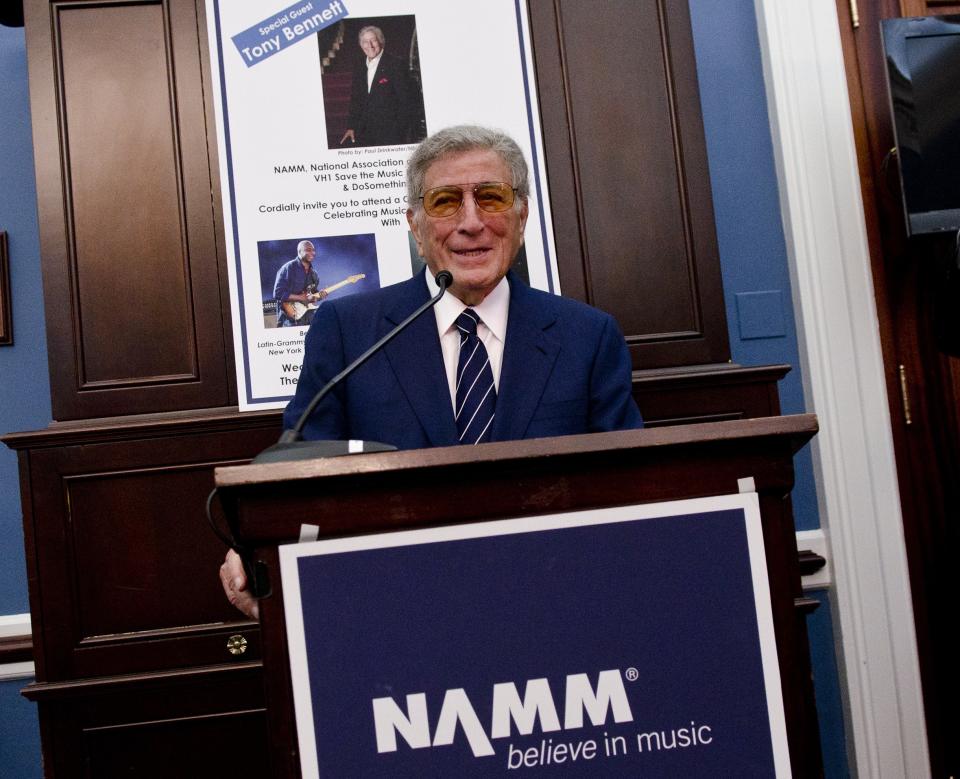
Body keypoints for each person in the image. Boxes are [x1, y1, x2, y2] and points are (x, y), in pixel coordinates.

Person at [221, 125, 642, 618]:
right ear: (415, 227)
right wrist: (261, 544)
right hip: (396, 608)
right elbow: (304, 468)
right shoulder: (349, 330)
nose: (471, 222)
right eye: (445, 202)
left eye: (492, 197)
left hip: (552, 601)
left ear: (522, 217)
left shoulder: (586, 337)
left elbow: (628, 490)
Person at [340, 26, 416, 148]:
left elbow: (405, 102)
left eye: (373, 40)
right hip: (364, 132)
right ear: (361, 45)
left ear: (380, 41)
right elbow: (356, 99)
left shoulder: (396, 64)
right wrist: (351, 126)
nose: (369, 45)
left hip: (390, 134)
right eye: (365, 42)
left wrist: (399, 132)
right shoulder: (359, 65)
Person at [273, 240, 326, 327]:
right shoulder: (288, 268)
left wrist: (319, 296)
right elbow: (277, 293)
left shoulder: (314, 274)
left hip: (309, 318)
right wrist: (300, 298)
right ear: (299, 252)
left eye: (313, 250)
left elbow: (311, 296)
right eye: (308, 250)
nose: (312, 252)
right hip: (290, 320)